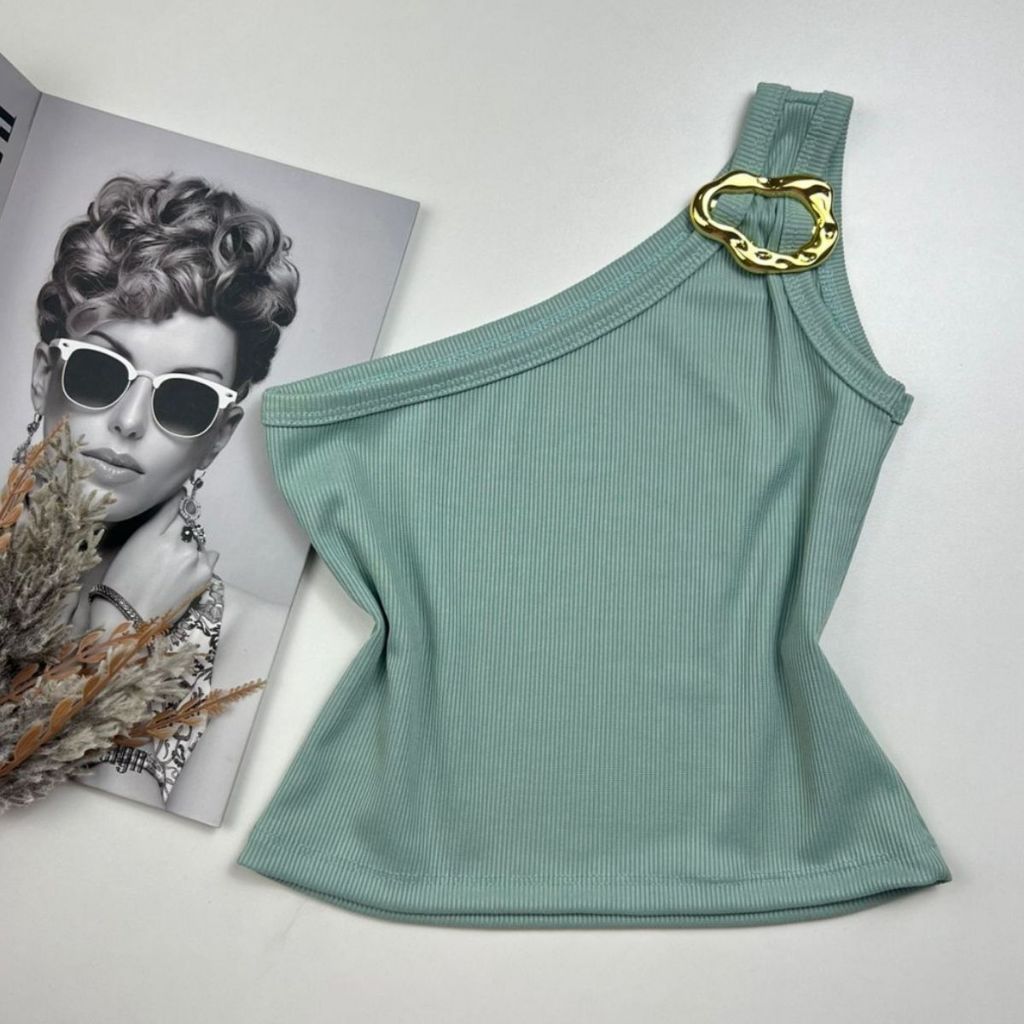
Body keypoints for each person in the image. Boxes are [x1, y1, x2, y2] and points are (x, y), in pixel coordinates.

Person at [13, 172, 300, 814]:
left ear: (218, 436)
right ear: (43, 377)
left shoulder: (255, 643)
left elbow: (119, 862)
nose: (129, 422)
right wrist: (116, 645)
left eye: (185, 398)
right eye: (99, 371)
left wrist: (124, 641)